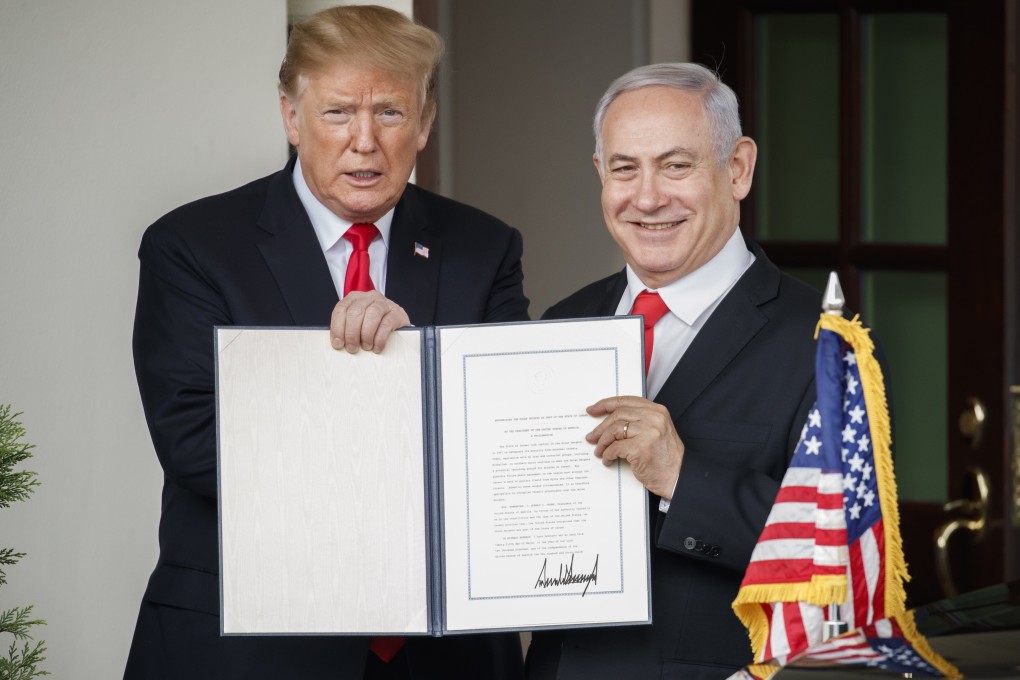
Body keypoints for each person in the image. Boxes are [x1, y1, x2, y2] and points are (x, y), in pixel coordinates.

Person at [125, 6, 528, 680]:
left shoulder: (485, 248)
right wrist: (397, 390)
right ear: (292, 117)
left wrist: (414, 354)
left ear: (424, 123)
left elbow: (505, 442)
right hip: (250, 649)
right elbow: (199, 447)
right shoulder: (193, 247)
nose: (364, 141)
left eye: (390, 113)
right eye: (339, 112)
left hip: (444, 653)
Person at [526, 63, 823, 679]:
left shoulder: (824, 344)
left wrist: (682, 478)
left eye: (676, 165)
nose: (647, 198)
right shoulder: (563, 322)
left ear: (738, 169)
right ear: (600, 174)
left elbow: (835, 553)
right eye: (624, 169)